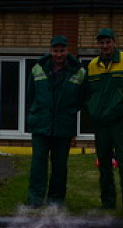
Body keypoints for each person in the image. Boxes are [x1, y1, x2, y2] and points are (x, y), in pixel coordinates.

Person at [27, 35, 86, 208]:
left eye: (62, 51)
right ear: (50, 51)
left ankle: (56, 201)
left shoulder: (79, 71)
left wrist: (68, 112)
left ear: (67, 51)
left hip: (63, 126)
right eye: (55, 51)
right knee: (38, 164)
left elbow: (82, 98)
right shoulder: (38, 68)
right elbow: (31, 95)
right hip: (41, 125)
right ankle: (35, 199)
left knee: (60, 166)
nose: (58, 54)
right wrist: (37, 113)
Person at [85, 28, 123, 212]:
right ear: (98, 44)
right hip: (101, 123)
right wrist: (92, 110)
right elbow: (88, 92)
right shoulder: (92, 65)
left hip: (119, 121)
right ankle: (107, 202)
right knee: (104, 162)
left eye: (108, 42)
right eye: (102, 43)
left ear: (114, 42)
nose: (105, 46)